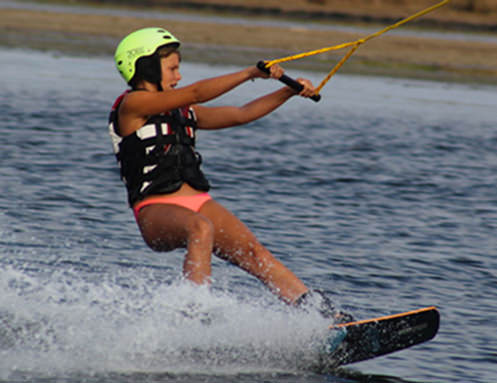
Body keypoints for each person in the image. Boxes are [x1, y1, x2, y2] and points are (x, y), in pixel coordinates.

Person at [109, 27, 345, 319]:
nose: (178, 76)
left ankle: (324, 317)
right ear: (144, 66)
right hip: (154, 211)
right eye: (172, 68)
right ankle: (193, 316)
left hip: (197, 201)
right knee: (201, 227)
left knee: (255, 253)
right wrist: (249, 74)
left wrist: (287, 91)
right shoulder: (133, 106)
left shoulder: (185, 112)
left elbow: (241, 113)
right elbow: (195, 91)